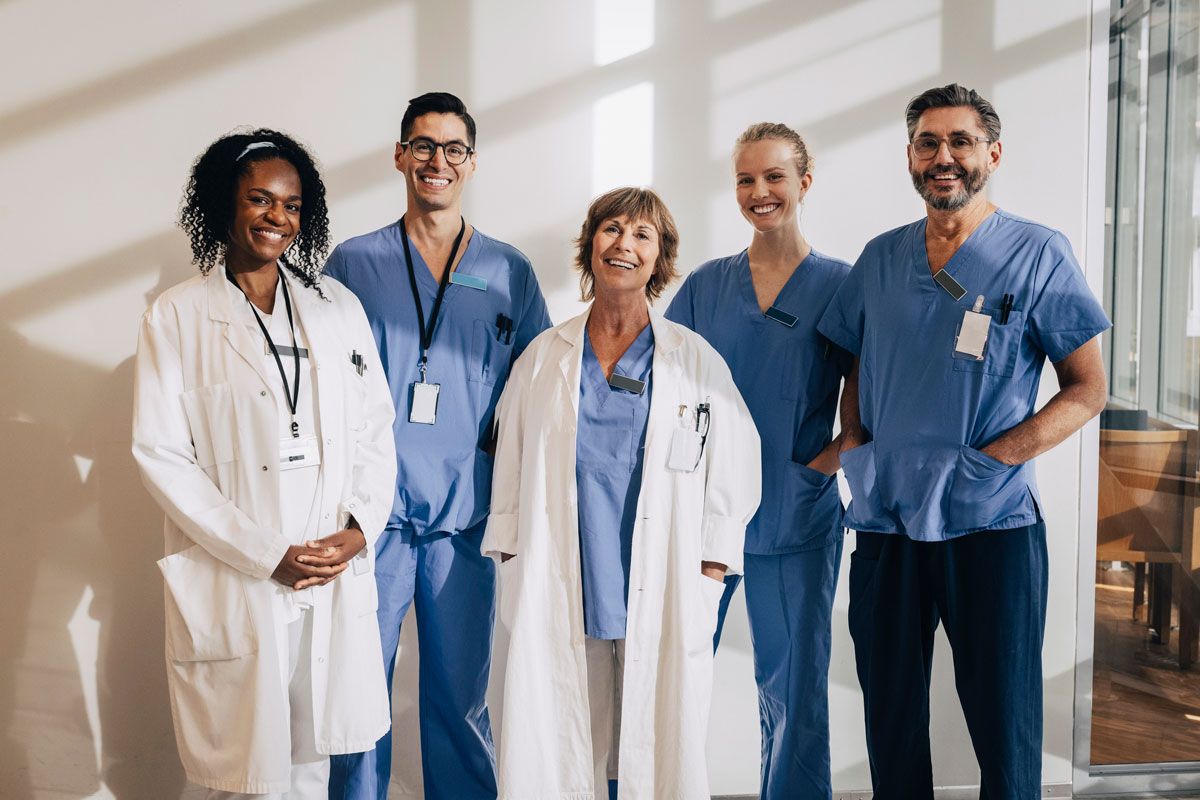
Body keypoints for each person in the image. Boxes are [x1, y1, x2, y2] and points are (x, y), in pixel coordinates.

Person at [817, 84, 1110, 799]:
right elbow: (856, 356)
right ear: (911, 158)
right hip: (887, 519)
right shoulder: (881, 258)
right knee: (889, 713)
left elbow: (1087, 389)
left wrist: (993, 461)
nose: (943, 156)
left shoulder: (1038, 253)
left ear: (992, 155)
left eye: (961, 142)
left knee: (1003, 718)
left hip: (991, 523)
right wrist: (855, 442)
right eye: (928, 143)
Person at [132, 129, 397, 798]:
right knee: (238, 772)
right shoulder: (179, 317)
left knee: (307, 759)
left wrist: (360, 527)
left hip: (324, 567)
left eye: (292, 204)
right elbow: (162, 455)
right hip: (243, 570)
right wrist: (263, 552)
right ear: (227, 203)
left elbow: (376, 429)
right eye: (260, 200)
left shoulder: (339, 309)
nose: (278, 217)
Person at [484, 187, 762, 800]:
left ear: (659, 259)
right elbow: (512, 454)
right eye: (612, 230)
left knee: (660, 744)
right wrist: (507, 553)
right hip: (563, 569)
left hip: (664, 574)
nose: (624, 245)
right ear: (591, 246)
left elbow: (736, 461)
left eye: (642, 235)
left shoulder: (693, 360)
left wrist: (714, 562)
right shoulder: (544, 356)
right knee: (555, 737)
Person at [324, 92, 551, 800]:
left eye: (453, 149)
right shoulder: (353, 264)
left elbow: (535, 389)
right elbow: (326, 384)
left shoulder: (507, 269)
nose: (437, 161)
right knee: (359, 695)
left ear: (472, 163)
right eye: (423, 146)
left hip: (465, 519)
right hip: (370, 519)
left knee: (460, 696)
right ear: (399, 156)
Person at [665, 122, 850, 800]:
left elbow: (867, 405)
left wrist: (818, 472)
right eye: (746, 179)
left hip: (794, 516)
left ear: (804, 182)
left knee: (795, 693)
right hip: (702, 519)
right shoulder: (707, 287)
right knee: (676, 682)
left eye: (774, 177)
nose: (760, 192)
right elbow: (664, 388)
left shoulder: (840, 285)